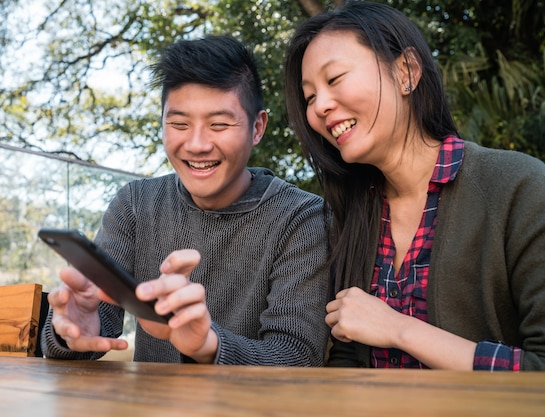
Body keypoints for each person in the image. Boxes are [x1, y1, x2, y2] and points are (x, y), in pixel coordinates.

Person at [284, 1, 545, 370]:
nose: (320, 106)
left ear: (406, 71)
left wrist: (398, 329)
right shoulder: (353, 213)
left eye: (335, 79)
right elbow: (347, 358)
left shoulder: (519, 186)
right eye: (309, 96)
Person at [41, 35, 331, 366]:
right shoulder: (135, 205)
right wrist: (74, 329)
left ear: (257, 127)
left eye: (219, 124)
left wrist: (208, 345)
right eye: (179, 123)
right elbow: (98, 321)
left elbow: (297, 356)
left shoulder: (302, 218)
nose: (196, 145)